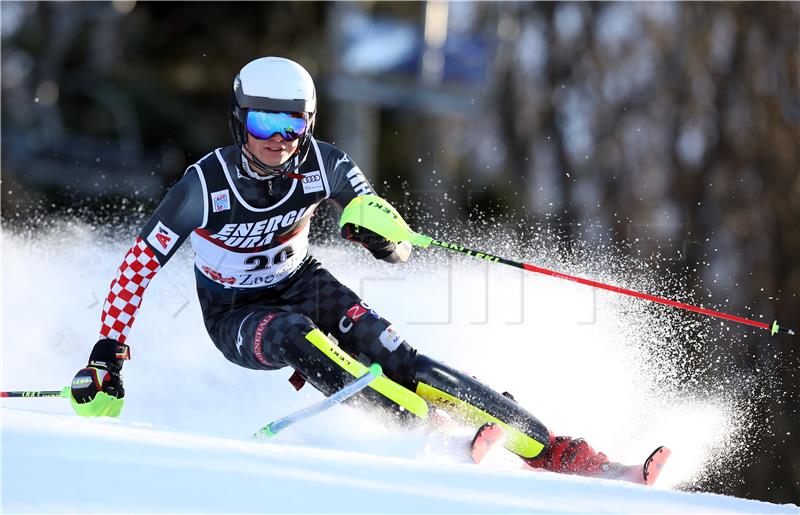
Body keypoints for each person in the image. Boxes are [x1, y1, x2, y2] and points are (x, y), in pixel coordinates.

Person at [70, 56, 620, 479]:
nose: (279, 141)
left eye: (293, 125)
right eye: (264, 123)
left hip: (304, 282)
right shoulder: (205, 186)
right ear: (239, 121)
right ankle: (426, 432)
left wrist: (384, 241)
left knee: (403, 360)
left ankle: (556, 451)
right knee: (295, 335)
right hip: (235, 312)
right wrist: (107, 353)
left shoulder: (325, 163)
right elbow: (137, 266)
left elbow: (391, 236)